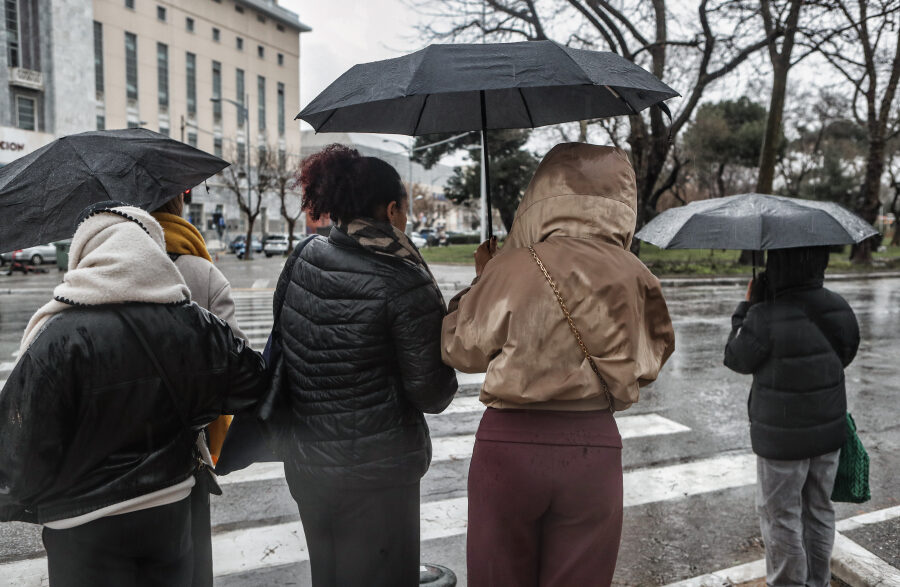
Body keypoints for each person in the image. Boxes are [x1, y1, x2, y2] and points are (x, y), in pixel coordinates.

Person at [442, 143, 676, 586]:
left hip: (509, 446)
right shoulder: (636, 274)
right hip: (592, 447)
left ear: (541, 194)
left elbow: (459, 349)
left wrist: (482, 280)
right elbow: (652, 359)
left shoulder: (510, 266)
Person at [0, 202, 267, 587]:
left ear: (87, 253)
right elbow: (251, 381)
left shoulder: (57, 335)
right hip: (169, 512)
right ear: (149, 250)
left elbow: (17, 456)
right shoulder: (189, 320)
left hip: (82, 528)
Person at [275, 144, 458, 586]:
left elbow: (284, 343)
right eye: (406, 209)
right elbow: (432, 394)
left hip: (309, 466)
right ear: (392, 210)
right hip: (379, 477)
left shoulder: (304, 255)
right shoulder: (403, 278)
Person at [724, 246, 860, 587]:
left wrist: (746, 308)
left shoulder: (763, 315)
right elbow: (845, 354)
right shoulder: (839, 307)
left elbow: (737, 358)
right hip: (828, 432)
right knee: (819, 510)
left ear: (778, 264)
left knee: (781, 517)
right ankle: (818, 582)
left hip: (781, 440)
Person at [152, 193, 246, 587]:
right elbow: (237, 372)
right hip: (184, 456)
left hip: (101, 473)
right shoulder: (201, 273)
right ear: (178, 205)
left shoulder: (90, 272)